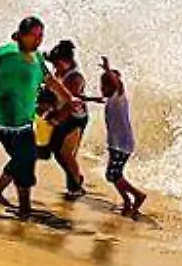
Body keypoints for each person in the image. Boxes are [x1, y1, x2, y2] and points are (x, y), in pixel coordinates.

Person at [0, 17, 74, 220]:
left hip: (24, 120)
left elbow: (50, 80)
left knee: (25, 160)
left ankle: (19, 206)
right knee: (24, 157)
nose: (38, 40)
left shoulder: (37, 58)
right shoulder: (7, 53)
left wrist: (69, 99)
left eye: (41, 35)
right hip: (0, 118)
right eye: (34, 35)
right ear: (22, 34)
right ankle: (10, 201)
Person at [99, 57, 147, 219]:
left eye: (103, 86)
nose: (101, 89)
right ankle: (127, 201)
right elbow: (102, 99)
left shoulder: (119, 97)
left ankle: (138, 196)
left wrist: (107, 69)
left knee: (113, 175)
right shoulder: (111, 100)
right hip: (117, 144)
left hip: (122, 145)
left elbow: (118, 84)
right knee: (113, 175)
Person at [45, 40, 89, 199]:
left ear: (68, 62)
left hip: (75, 118)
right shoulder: (57, 70)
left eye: (58, 63)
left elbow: (70, 105)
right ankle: (77, 178)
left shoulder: (75, 78)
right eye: (54, 63)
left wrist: (56, 119)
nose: (55, 67)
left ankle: (75, 187)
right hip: (60, 115)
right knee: (56, 153)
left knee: (66, 153)